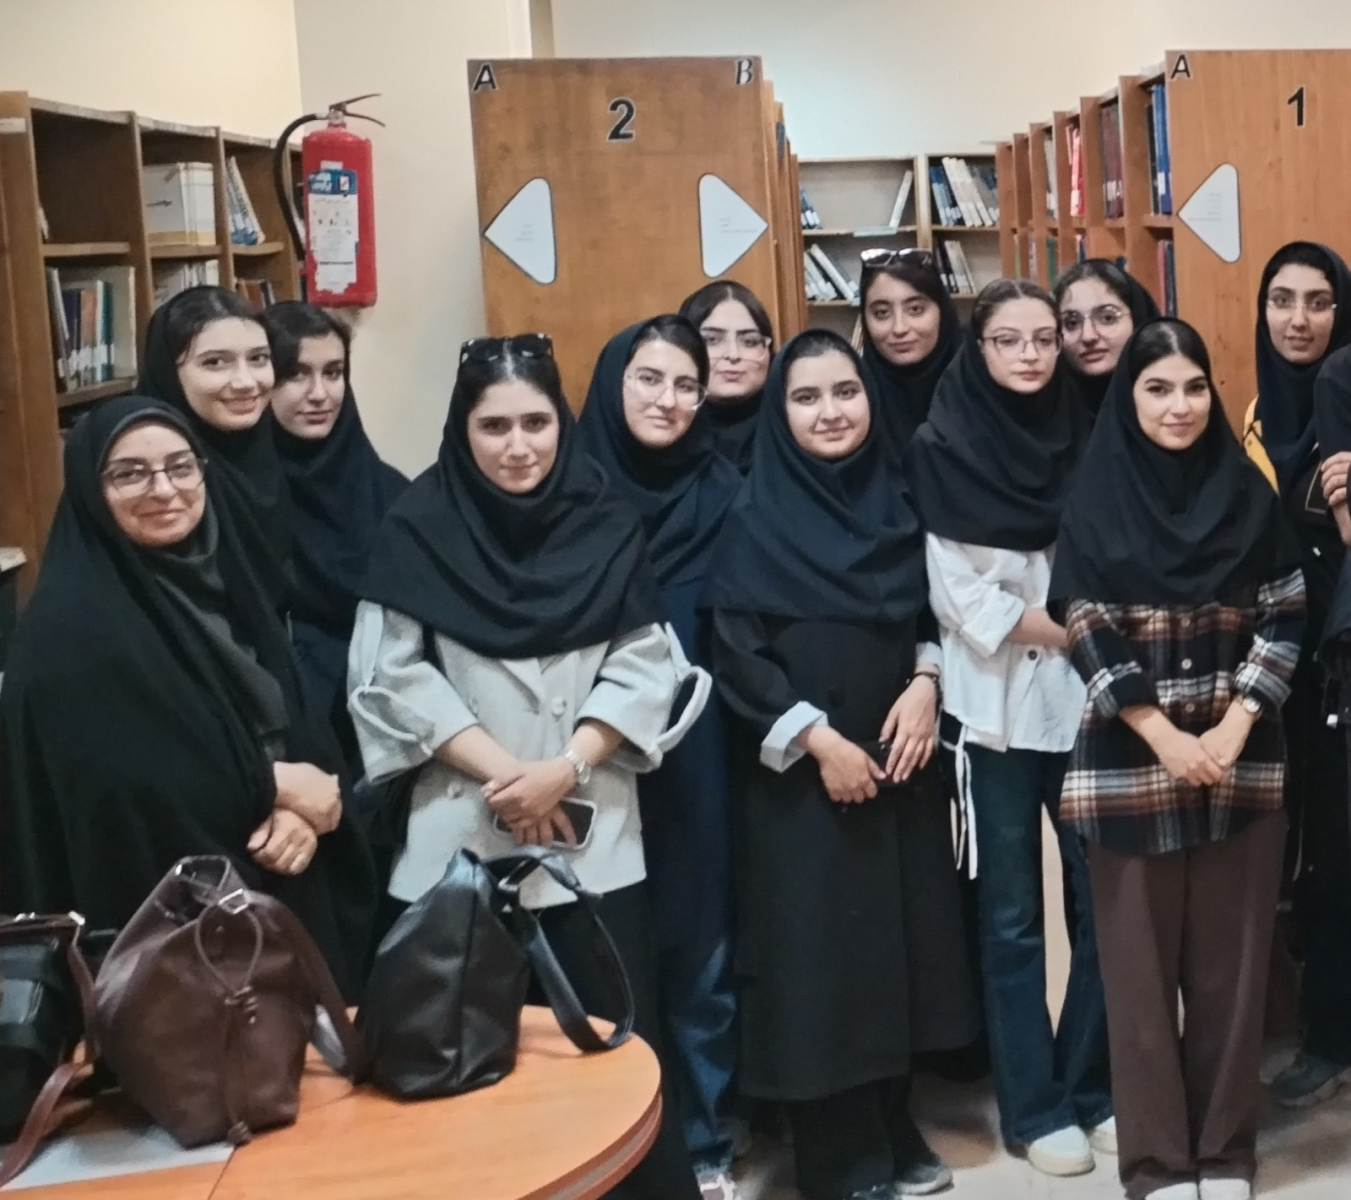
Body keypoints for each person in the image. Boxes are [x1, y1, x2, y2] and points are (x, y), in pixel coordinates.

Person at [349, 334, 706, 1200]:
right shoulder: (418, 525)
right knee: (466, 1064)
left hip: (591, 836)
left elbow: (646, 662)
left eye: (536, 423)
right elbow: (386, 676)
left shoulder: (604, 516)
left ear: (562, 424)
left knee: (610, 1060)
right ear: (461, 429)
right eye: (494, 426)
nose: (518, 446)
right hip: (460, 835)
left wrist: (565, 769)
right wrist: (510, 775)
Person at [706, 329, 978, 1200]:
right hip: (800, 781)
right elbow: (736, 653)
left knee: (897, 949)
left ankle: (891, 1121)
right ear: (779, 414)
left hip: (898, 766)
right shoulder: (751, 518)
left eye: (845, 392)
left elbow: (929, 617)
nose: (830, 412)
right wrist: (817, 742)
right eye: (806, 398)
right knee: (819, 958)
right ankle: (837, 1153)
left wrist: (927, 684)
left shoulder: (896, 501)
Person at [0, 397, 374, 999]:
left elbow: (295, 722)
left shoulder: (228, 581)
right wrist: (270, 787)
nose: (164, 489)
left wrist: (304, 811)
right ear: (90, 489)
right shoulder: (67, 632)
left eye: (181, 466)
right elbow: (119, 792)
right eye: (130, 473)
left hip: (280, 880)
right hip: (165, 935)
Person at [1051, 318, 1307, 1200]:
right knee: (1137, 980)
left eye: (1194, 387)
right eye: (1156, 388)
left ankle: (1224, 1153)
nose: (1179, 405)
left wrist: (1234, 727)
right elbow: (1086, 627)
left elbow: (1285, 612)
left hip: (1241, 762)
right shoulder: (1093, 499)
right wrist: (1161, 735)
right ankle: (1158, 1164)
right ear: (1127, 398)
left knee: (1231, 975)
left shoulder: (1248, 495)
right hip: (1128, 768)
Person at [905, 279, 1111, 1178]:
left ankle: (1092, 1084)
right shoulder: (940, 444)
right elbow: (961, 600)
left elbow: (1112, 550)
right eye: (1008, 340)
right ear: (977, 347)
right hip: (991, 714)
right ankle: (1032, 1105)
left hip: (1088, 707)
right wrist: (1078, 627)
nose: (1030, 355)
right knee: (1012, 916)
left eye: (1043, 338)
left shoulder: (1089, 431)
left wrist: (1081, 630)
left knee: (1101, 903)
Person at [579, 316, 744, 1200]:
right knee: (611, 940)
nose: (669, 400)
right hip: (588, 748)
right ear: (613, 383)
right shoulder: (568, 490)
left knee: (699, 942)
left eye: (686, 384)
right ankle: (615, 1136)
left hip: (699, 749)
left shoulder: (725, 491)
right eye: (649, 379)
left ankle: (704, 1134)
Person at [1239, 242, 1351, 1109]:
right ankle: (1313, 1027)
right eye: (1281, 300)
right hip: (1273, 668)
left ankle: (1328, 1037)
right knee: (1296, 857)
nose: (1298, 320)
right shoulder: (1246, 418)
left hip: (1340, 662)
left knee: (1339, 851)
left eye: (1318, 301)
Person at [266, 302, 408, 775]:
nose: (319, 394)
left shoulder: (391, 493)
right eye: (295, 375)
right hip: (283, 742)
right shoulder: (241, 499)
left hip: (385, 730)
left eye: (333, 373)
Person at [137, 285, 292, 609]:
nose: (246, 382)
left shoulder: (273, 452)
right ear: (168, 372)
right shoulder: (149, 477)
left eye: (258, 358)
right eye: (215, 362)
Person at [859, 248, 961, 454]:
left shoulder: (980, 386)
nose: (899, 328)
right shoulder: (852, 397)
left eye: (915, 309)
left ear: (942, 311)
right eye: (881, 313)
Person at [679, 281, 774, 473]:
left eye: (749, 341)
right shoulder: (662, 425)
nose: (733, 354)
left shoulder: (798, 428)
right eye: (712, 340)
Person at [1053, 259, 1161, 420]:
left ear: (1137, 319)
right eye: (1072, 323)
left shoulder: (1174, 408)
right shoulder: (1044, 415)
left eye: (1108, 318)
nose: (1088, 336)